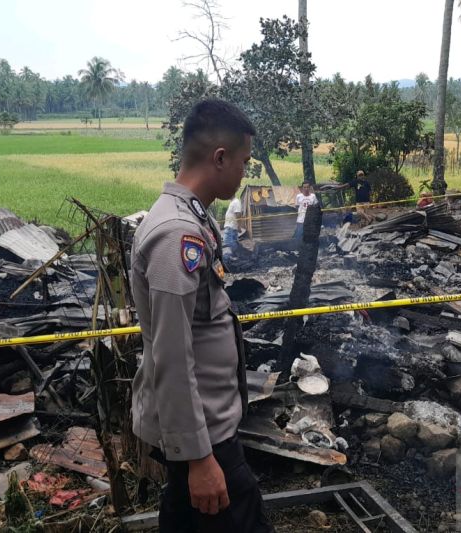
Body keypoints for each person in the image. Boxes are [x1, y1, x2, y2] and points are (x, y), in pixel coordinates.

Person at [130, 99, 272, 533]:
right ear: (220, 158)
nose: (246, 171)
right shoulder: (178, 235)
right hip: (203, 434)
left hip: (206, 423)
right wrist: (199, 458)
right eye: (245, 161)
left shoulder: (194, 217)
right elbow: (172, 356)